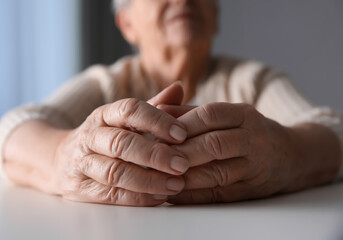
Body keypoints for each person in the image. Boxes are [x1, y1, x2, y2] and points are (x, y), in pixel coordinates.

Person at [0, 0, 342, 207]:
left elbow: (334, 132)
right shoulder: (108, 83)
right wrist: (64, 155)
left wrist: (286, 155)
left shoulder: (251, 80)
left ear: (215, 15)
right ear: (127, 23)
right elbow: (13, 129)